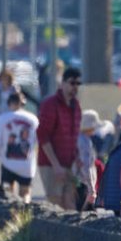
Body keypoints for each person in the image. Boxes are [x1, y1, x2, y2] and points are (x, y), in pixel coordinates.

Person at [36, 67, 82, 209]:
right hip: (51, 165)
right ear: (62, 84)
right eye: (72, 82)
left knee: (71, 206)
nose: (75, 87)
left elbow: (75, 136)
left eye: (78, 84)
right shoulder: (50, 104)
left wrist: (78, 157)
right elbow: (42, 135)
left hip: (69, 164)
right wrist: (55, 165)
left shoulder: (76, 106)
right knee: (56, 206)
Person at [0, 92, 38, 203]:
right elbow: (38, 141)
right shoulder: (33, 119)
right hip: (26, 164)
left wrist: (1, 156)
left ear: (9, 104)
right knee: (26, 192)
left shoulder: (3, 118)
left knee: (8, 194)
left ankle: (11, 214)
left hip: (8, 163)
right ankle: (26, 210)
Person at [76, 110, 100, 211]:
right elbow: (86, 166)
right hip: (83, 184)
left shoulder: (77, 138)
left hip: (76, 181)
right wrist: (91, 188)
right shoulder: (85, 142)